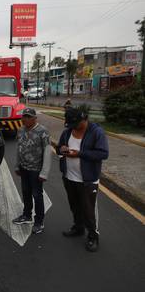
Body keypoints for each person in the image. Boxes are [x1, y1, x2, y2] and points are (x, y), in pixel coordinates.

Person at [56, 107, 109, 252]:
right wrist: (62, 149)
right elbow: (58, 147)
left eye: (75, 124)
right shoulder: (67, 132)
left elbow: (103, 154)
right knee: (75, 206)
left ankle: (93, 236)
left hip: (88, 180)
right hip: (69, 177)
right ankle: (78, 227)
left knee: (89, 210)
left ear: (84, 119)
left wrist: (80, 154)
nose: (73, 128)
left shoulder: (96, 132)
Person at [12, 108, 52, 234]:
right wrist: (17, 165)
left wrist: (44, 172)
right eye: (24, 117)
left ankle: (39, 222)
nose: (26, 119)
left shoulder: (43, 131)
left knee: (37, 195)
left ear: (35, 118)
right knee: (26, 192)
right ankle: (26, 215)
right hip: (24, 168)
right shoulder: (20, 130)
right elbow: (19, 148)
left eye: (29, 117)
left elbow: (48, 151)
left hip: (36, 170)